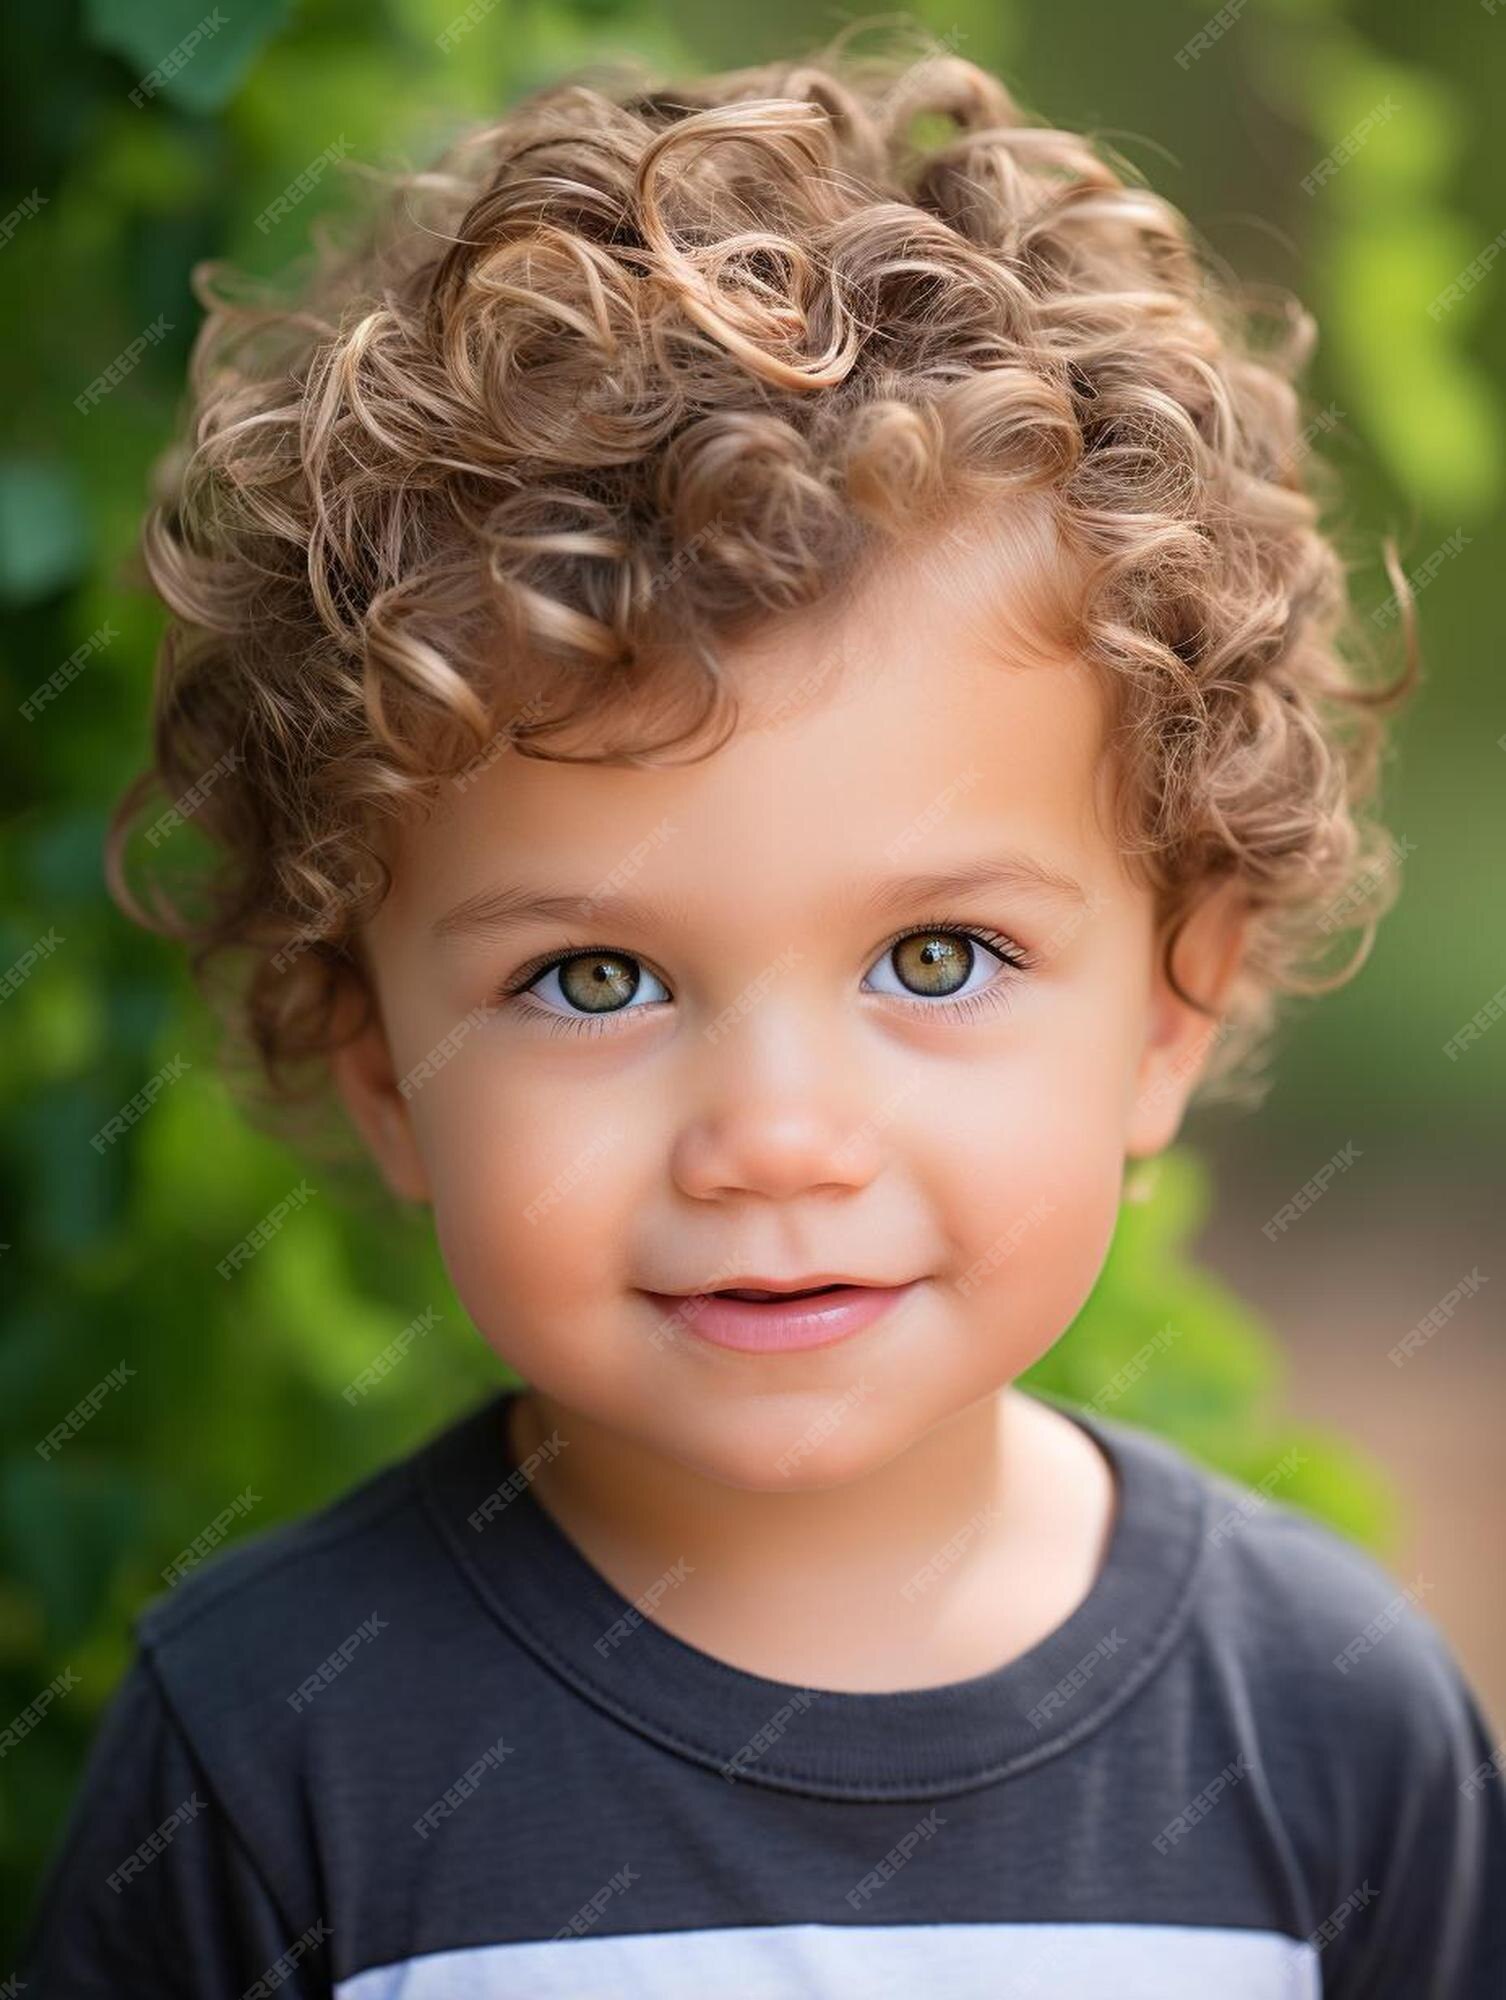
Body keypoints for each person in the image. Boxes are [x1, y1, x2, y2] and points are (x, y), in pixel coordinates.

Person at [20, 26, 1505, 1997]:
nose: (777, 1136)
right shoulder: (276, 1740)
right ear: (377, 1058)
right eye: (595, 978)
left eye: (937, 957)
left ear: (1173, 998)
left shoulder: (1332, 1726)